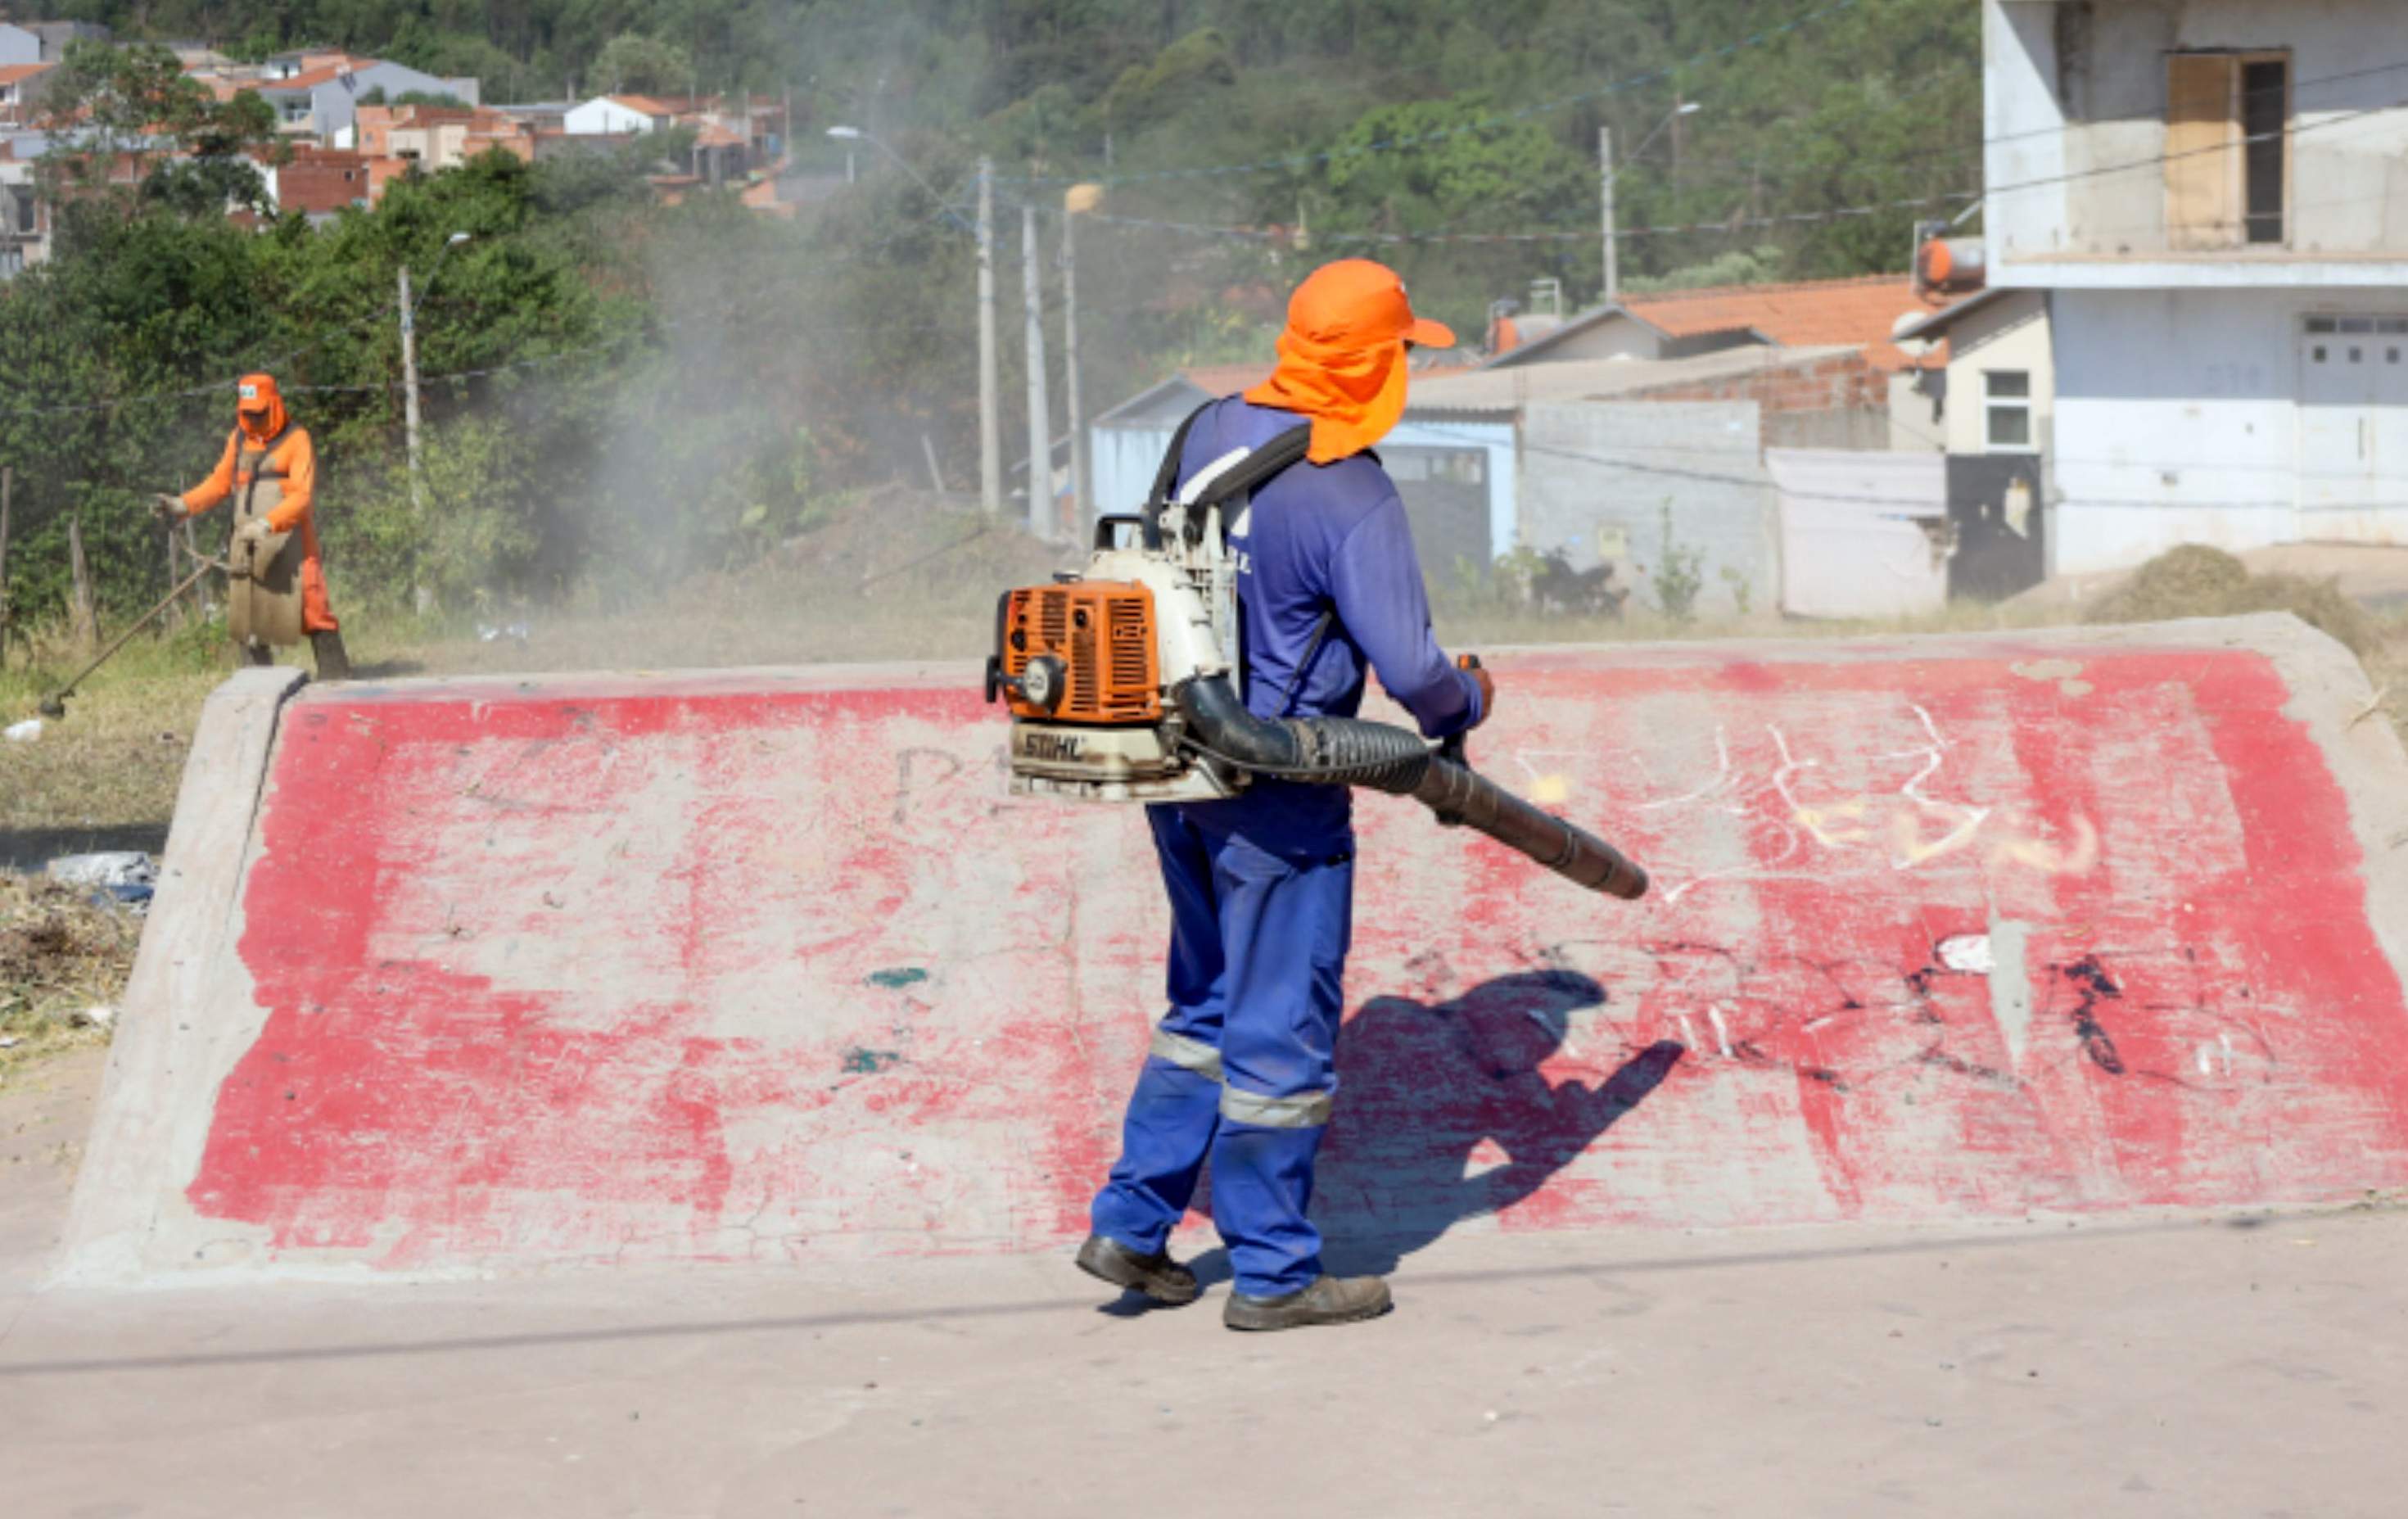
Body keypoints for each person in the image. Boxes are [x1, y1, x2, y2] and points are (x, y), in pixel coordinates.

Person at [1077, 259, 1496, 1331]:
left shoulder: (1207, 428)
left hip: (1175, 770)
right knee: (1279, 1038)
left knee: (1203, 1009)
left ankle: (1132, 1224)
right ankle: (1273, 1271)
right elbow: (1410, 672)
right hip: (1282, 792)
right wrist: (1468, 697)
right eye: (1401, 349)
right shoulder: (1350, 486)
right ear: (1372, 362)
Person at [155, 373, 350, 680]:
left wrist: (268, 523)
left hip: (292, 538)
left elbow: (302, 497)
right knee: (246, 613)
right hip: (247, 538)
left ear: (274, 404)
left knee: (313, 604)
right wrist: (183, 505)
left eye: (259, 412)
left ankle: (337, 680)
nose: (254, 419)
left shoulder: (297, 439)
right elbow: (220, 483)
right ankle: (259, 685)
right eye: (248, 413)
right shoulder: (239, 439)